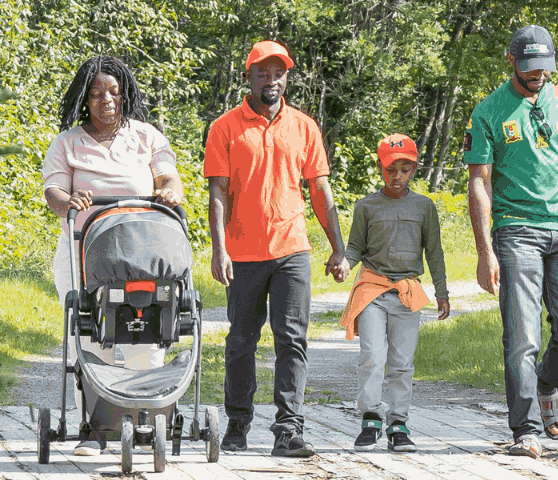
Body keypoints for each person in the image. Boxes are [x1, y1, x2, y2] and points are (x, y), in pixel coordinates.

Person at [463, 25, 558, 457]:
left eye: (545, 67)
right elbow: (479, 182)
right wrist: (484, 250)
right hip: (516, 230)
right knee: (522, 335)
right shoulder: (489, 111)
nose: (538, 75)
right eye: (529, 68)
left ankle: (548, 384)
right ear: (511, 61)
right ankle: (525, 429)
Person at [204, 39, 346, 458]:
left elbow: (320, 189)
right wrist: (219, 248)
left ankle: (288, 430)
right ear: (249, 77)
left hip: (291, 251)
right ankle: (237, 424)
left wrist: (338, 248)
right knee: (241, 341)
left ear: (286, 77)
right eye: (262, 73)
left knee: (292, 340)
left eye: (278, 73)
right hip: (244, 253)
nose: (271, 80)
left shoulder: (304, 126)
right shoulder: (225, 127)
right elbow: (218, 193)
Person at [39, 55, 184, 456]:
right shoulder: (67, 142)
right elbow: (53, 193)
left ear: (126, 96)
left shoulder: (146, 136)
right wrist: (70, 199)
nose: (107, 100)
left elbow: (168, 174)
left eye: (115, 92)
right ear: (84, 98)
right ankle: (96, 429)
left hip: (141, 252)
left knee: (146, 334)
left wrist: (170, 190)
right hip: (84, 249)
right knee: (91, 336)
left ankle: (149, 422)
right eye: (98, 93)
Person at [334, 133, 451, 453]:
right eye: (391, 169)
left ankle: (398, 423)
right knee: (373, 356)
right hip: (372, 289)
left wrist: (442, 291)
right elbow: (355, 246)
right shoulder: (366, 206)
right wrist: (344, 263)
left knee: (402, 363)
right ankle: (370, 419)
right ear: (380, 168)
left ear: (414, 170)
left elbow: (434, 251)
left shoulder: (424, 206)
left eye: (405, 169)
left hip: (407, 293)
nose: (397, 175)